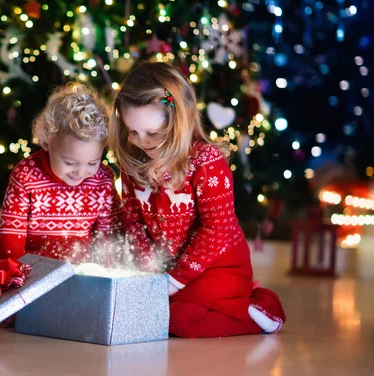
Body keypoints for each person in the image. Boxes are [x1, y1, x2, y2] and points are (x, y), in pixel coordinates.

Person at [110, 61, 285, 338]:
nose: (140, 141)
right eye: (132, 131)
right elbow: (133, 221)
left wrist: (175, 280)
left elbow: (217, 228)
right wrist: (150, 273)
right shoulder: (134, 162)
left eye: (152, 133)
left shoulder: (206, 161)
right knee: (145, 314)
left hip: (219, 267)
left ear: (179, 121)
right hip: (170, 272)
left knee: (179, 321)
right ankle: (206, 302)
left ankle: (260, 306)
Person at [0, 83, 121, 263]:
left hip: (82, 273)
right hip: (33, 273)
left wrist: (108, 272)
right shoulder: (26, 175)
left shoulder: (103, 180)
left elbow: (109, 234)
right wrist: (12, 271)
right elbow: (11, 235)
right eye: (70, 162)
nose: (81, 172)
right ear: (46, 141)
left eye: (93, 163)